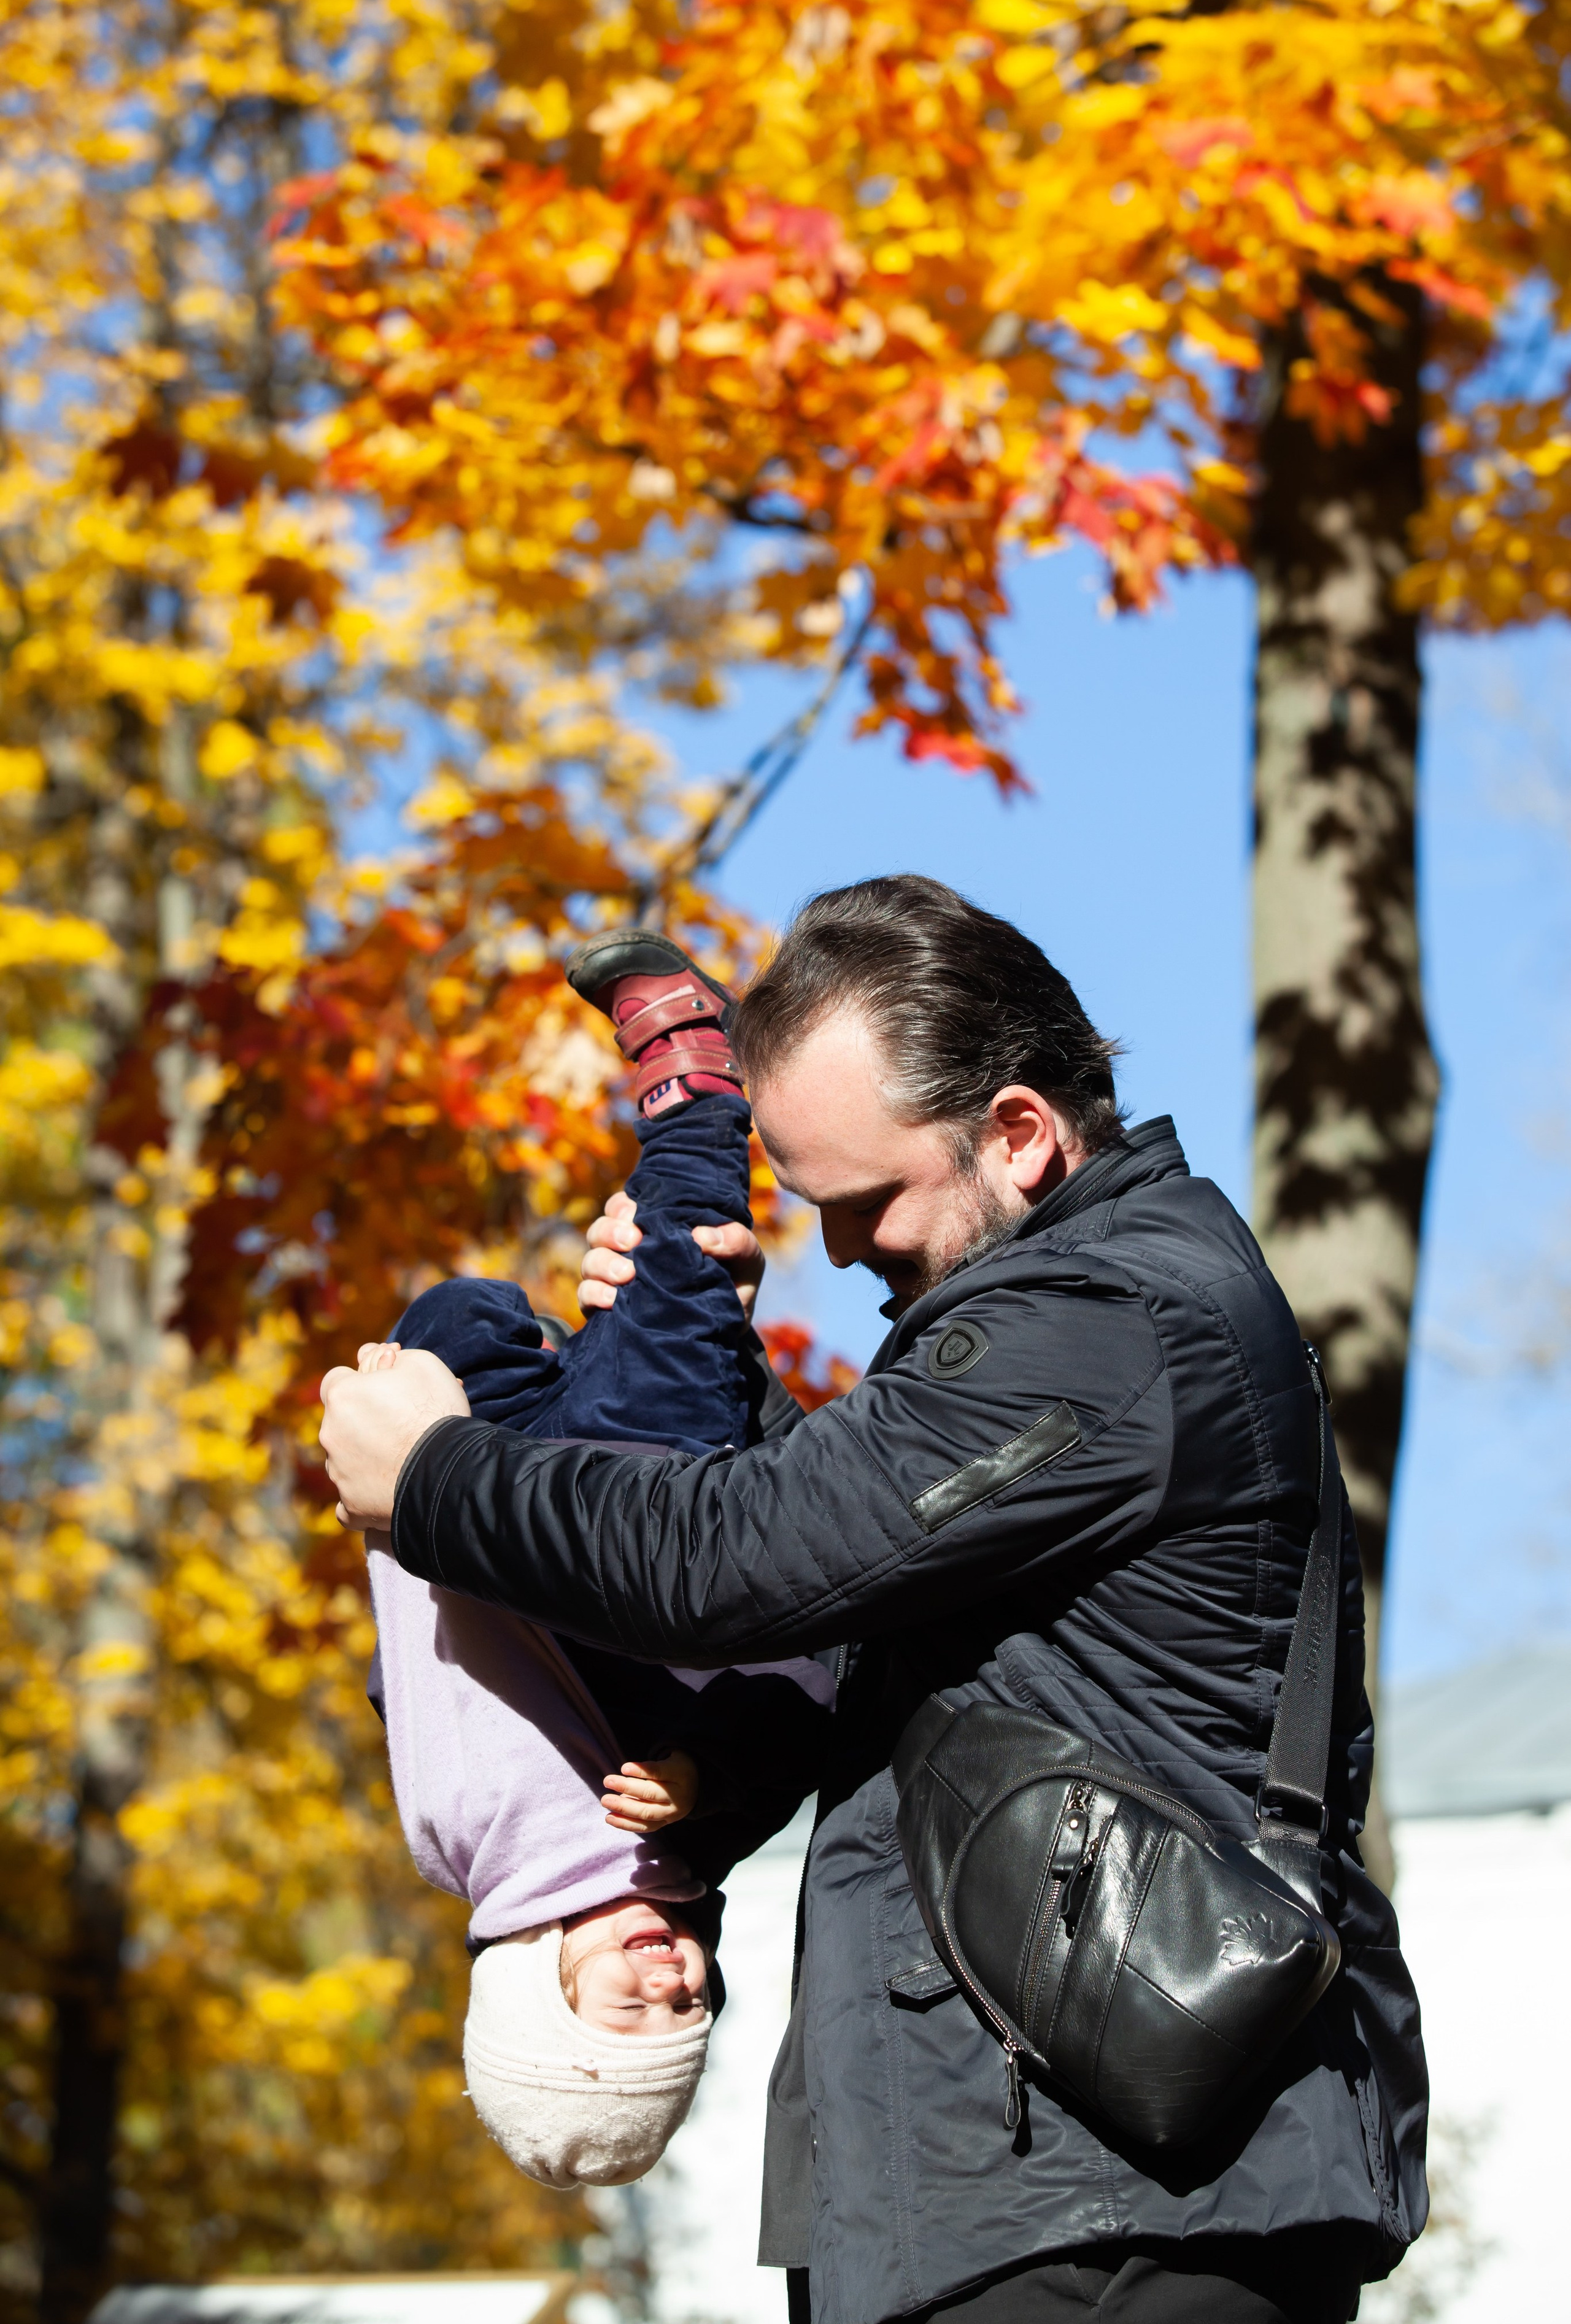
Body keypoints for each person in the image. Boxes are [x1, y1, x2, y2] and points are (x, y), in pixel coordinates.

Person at [320, 878, 1429, 2324]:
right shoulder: (1073, 1322)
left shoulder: (1107, 1321)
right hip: (1038, 2182)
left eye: (864, 1203)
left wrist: (436, 1483)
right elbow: (846, 1584)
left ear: (1018, 1135)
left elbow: (740, 1562)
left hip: (1108, 2205)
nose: (839, 1253)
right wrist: (702, 1353)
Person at [359, 929, 832, 2190]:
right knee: (678, 1255)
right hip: (659, 1497)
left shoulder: (455, 1837)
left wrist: (413, 1526)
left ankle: (536, 1349)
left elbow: (422, 1685)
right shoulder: (716, 1829)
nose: (668, 1983)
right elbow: (815, 1688)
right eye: (689, 2011)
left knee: (451, 1318)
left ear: (535, 1990)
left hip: (511, 1502)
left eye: (627, 2014)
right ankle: (693, 1067)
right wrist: (697, 1769)